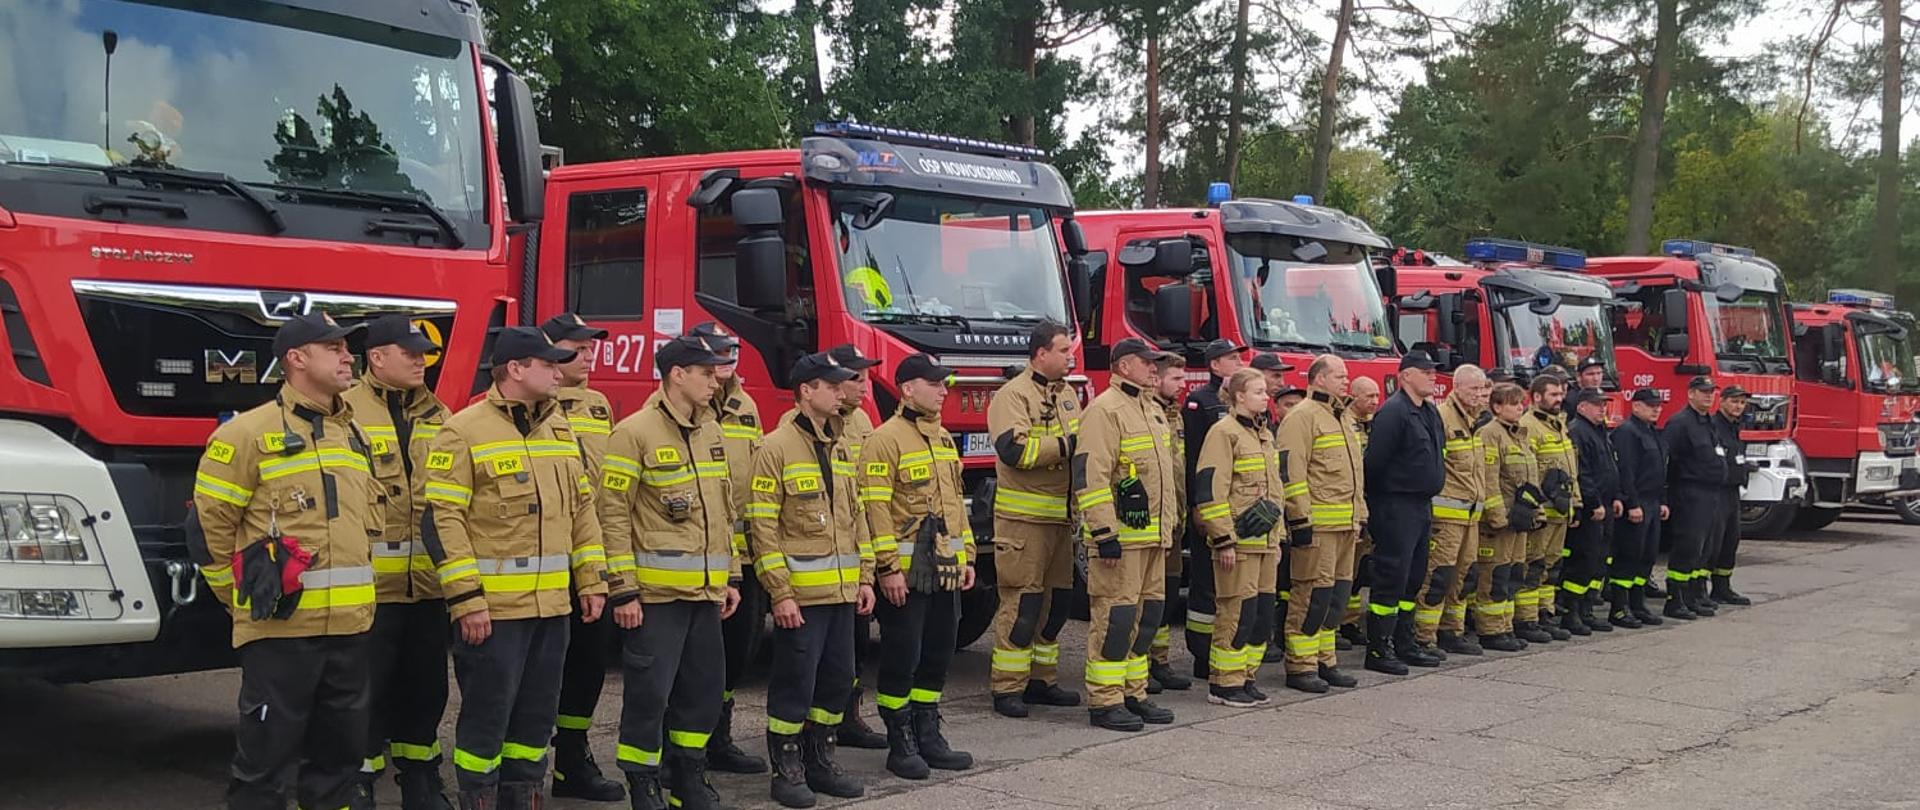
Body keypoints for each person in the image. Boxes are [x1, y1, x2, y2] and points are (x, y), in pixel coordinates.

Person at [190, 312, 377, 810]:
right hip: (281, 631)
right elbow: (209, 531)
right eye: (333, 348)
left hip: (350, 630)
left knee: (340, 759)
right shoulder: (246, 435)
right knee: (265, 763)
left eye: (347, 348)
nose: (346, 357)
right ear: (296, 359)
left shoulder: (353, 435)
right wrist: (241, 601)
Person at [423, 326, 610, 810]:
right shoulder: (463, 431)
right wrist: (466, 600)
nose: (557, 371)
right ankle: (478, 800)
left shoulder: (559, 428)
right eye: (548, 364)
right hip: (493, 614)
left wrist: (590, 580)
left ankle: (525, 796)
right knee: (488, 718)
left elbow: (582, 513)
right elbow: (442, 521)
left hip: (552, 609)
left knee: (535, 719)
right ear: (516, 369)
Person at [599, 336, 741, 810]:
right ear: (676, 374)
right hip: (656, 597)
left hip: (705, 593)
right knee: (649, 694)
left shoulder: (712, 432)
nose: (715, 378)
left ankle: (688, 775)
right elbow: (612, 515)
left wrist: (732, 576)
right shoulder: (633, 432)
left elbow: (723, 510)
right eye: (705, 372)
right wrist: (622, 591)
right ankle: (643, 780)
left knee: (701, 692)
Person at [746, 353, 875, 808]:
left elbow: (855, 516)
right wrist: (779, 594)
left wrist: (864, 577)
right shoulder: (775, 447)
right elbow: (762, 527)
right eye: (832, 385)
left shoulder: (839, 445)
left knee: (838, 680)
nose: (842, 391)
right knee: (794, 684)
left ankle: (820, 759)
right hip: (801, 597)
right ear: (806, 392)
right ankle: (787, 769)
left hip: (841, 594)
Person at [343, 315, 453, 810]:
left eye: (424, 352)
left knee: (425, 691)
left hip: (428, 589)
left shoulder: (441, 415)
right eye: (408, 351)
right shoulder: (343, 412)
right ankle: (358, 782)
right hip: (368, 591)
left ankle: (421, 780)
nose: (420, 359)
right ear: (376, 357)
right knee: (364, 695)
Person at [858, 355, 976, 775]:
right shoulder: (884, 439)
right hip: (906, 578)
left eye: (945, 383)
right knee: (901, 656)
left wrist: (966, 557)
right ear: (907, 388)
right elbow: (875, 509)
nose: (944, 390)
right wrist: (888, 568)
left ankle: (928, 732)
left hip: (944, 571)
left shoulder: (943, 438)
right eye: (935, 383)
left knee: (938, 653)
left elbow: (955, 508)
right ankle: (900, 741)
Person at [540, 313, 630, 804]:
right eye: (577, 348)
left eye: (592, 348)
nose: (589, 356)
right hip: (539, 564)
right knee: (537, 671)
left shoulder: (598, 406)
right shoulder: (530, 405)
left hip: (589, 561)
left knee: (588, 664)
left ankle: (572, 758)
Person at [1076, 338, 1182, 730]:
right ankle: (1105, 700)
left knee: (1146, 617)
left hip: (1154, 537)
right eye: (1147, 362)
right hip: (1120, 540)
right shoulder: (1104, 411)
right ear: (1123, 367)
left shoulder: (1151, 408)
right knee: (1116, 618)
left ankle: (1133, 692)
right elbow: (1092, 475)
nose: (1154, 369)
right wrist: (1104, 533)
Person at [986, 322, 1087, 718]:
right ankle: (1007, 687)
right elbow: (1014, 451)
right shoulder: (1013, 395)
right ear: (1040, 353)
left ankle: (1041, 680)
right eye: (1063, 350)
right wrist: (1067, 446)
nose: (1070, 357)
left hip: (1060, 520)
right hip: (1023, 520)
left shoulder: (1067, 395)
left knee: (1058, 604)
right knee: (1023, 603)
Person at [685, 321, 771, 777]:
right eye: (718, 352)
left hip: (744, 556)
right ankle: (679, 747)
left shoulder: (745, 405)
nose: (728, 357)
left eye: (732, 349)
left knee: (737, 655)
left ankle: (719, 737)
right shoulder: (681, 410)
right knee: (691, 662)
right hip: (697, 557)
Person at [1192, 368, 1285, 706]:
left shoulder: (1264, 434)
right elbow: (1211, 489)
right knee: (1236, 613)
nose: (1266, 396)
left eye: (1265, 391)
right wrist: (1223, 540)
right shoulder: (1224, 433)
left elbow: (1276, 492)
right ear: (1239, 396)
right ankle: (1224, 683)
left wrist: (1278, 539)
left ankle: (1245, 676)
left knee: (1260, 614)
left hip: (1265, 544)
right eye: (1259, 391)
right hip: (1239, 544)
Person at [1274, 355, 1366, 693]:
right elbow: (1292, 474)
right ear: (1319, 379)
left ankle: (1325, 660)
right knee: (1311, 595)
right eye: (1340, 376)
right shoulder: (1302, 418)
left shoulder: (1340, 416)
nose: (1346, 380)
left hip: (1345, 526)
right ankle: (1301, 666)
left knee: (1336, 597)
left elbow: (1354, 475)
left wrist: (1360, 516)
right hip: (1318, 529)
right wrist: (1300, 521)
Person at [1362, 353, 1446, 674]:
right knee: (1391, 577)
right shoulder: (1394, 412)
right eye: (1425, 372)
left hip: (1421, 505)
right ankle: (1379, 649)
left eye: (1433, 371)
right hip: (1395, 505)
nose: (1432, 376)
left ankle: (1404, 642)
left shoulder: (1428, 412)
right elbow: (1375, 463)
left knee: (1414, 576)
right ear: (1406, 376)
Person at [825, 343, 889, 749]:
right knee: (826, 652)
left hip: (857, 546)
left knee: (856, 643)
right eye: (856, 379)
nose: (864, 386)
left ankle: (849, 716)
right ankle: (824, 724)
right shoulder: (819, 424)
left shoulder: (863, 420)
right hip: (825, 552)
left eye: (866, 378)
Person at [1414, 365, 1493, 659]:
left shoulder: (1476, 421)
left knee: (1465, 577)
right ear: (1456, 387)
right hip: (1446, 518)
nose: (1479, 395)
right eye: (1473, 389)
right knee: (1437, 577)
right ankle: (1424, 637)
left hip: (1470, 517)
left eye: (1482, 389)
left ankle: (1452, 631)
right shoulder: (1441, 418)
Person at [1179, 340, 1245, 679]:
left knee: (1231, 586)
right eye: (1232, 358)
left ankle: (1226, 648)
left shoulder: (1240, 402)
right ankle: (1201, 655)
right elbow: (1195, 461)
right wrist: (1197, 506)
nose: (1239, 362)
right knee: (1205, 584)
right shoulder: (1200, 402)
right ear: (1215, 366)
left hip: (1235, 508)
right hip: (1210, 507)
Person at [1473, 382, 1541, 652]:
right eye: (1513, 404)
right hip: (1499, 522)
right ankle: (1490, 631)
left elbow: (1530, 479)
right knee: (1495, 576)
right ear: (1496, 406)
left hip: (1519, 519)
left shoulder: (1519, 434)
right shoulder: (1489, 434)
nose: (1519, 407)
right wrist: (1497, 516)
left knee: (1513, 574)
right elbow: (1489, 480)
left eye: (1520, 403)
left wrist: (1534, 512)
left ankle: (1506, 626)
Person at [1516, 374, 1577, 643]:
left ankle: (1544, 614)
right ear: (1537, 397)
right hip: (1543, 511)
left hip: (1561, 512)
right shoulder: (1529, 426)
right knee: (1534, 566)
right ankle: (1527, 619)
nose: (1559, 398)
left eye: (1560, 394)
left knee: (1551, 566)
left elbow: (1570, 469)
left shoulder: (1558, 425)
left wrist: (1576, 503)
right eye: (1553, 394)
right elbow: (1527, 473)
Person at [1660, 376, 1726, 621]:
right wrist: (1667, 496)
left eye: (1711, 392)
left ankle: (1693, 595)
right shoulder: (1680, 423)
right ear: (1691, 394)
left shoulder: (1708, 422)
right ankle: (1675, 599)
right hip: (1689, 492)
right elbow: (1667, 461)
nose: (1709, 396)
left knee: (1705, 548)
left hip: (1711, 493)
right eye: (1703, 392)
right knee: (1687, 546)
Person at [1149, 352, 1196, 692]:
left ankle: (1160, 660)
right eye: (1176, 379)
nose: (1182, 385)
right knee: (1147, 599)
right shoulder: (1148, 412)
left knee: (1165, 595)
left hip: (1173, 521)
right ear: (1157, 378)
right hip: (1151, 523)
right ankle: (1142, 665)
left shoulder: (1173, 414)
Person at [1564, 388, 1621, 635]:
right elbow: (1582, 472)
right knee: (1583, 559)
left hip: (1606, 505)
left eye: (1604, 404)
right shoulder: (1578, 431)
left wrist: (1615, 498)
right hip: (1592, 509)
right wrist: (1593, 502)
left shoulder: (1600, 432)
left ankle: (1587, 609)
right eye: (1596, 404)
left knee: (1599, 560)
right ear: (1581, 406)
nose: (1602, 408)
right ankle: (1571, 612)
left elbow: (1610, 467)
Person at [1610, 388, 1668, 628]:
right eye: (1650, 405)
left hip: (1653, 502)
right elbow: (1626, 471)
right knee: (1629, 556)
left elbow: (1661, 469)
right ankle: (1619, 608)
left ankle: (1637, 604)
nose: (1656, 408)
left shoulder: (1652, 432)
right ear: (1635, 406)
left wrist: (1663, 500)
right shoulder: (1627, 432)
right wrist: (1631, 503)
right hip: (1637, 503)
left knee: (1647, 556)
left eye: (1658, 405)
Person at [1336, 375, 1383, 650]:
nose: (1375, 402)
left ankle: (1349, 621)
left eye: (1377, 396)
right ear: (1354, 396)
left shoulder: (1371, 426)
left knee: (1358, 572)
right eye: (1369, 396)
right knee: (1343, 573)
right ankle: (1338, 623)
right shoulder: (1346, 424)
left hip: (1366, 506)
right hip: (1347, 508)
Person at [1707, 386, 1755, 608]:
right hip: (1717, 491)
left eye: (1742, 403)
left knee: (1730, 540)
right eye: (1734, 402)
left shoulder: (1735, 426)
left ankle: (1722, 586)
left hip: (1733, 492)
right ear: (1722, 401)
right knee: (1713, 542)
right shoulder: (1714, 426)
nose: (1738, 406)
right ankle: (1700, 590)